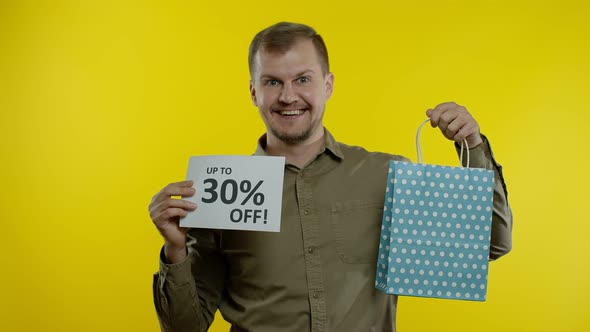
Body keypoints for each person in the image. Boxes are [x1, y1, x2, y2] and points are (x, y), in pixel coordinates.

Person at [149, 22, 512, 332]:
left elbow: (490, 245)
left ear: (327, 85)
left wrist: (472, 146)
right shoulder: (220, 196)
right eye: (273, 82)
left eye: (302, 79)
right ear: (254, 92)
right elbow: (187, 326)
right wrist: (175, 249)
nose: (288, 96)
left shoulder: (388, 176)